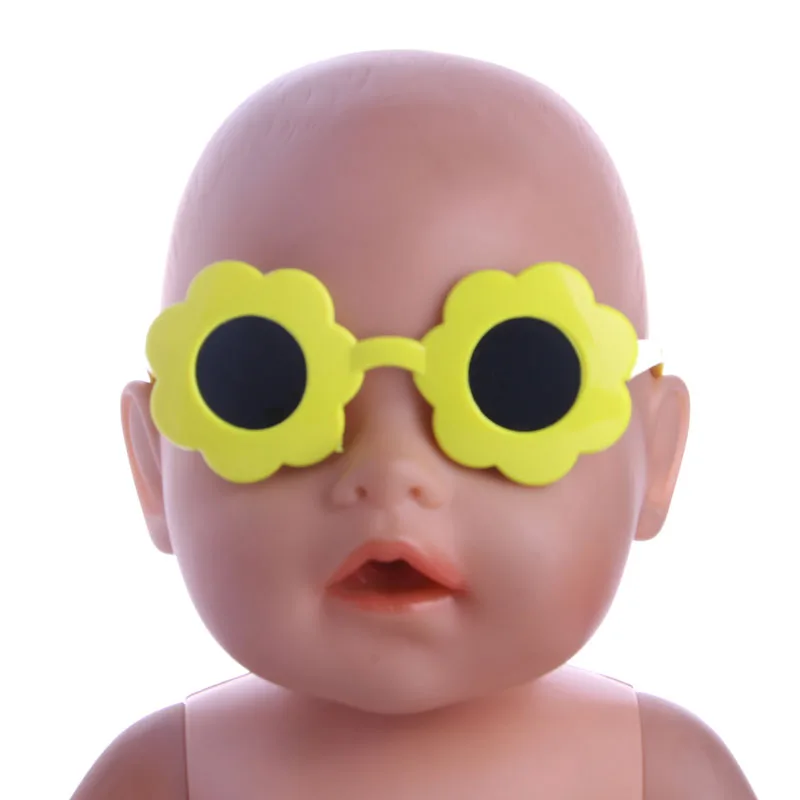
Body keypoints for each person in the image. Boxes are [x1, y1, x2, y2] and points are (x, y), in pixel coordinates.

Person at [72, 50, 757, 799]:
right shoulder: (159, 780)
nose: (389, 468)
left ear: (655, 455)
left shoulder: (667, 776)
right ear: (153, 463)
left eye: (520, 380)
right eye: (266, 381)